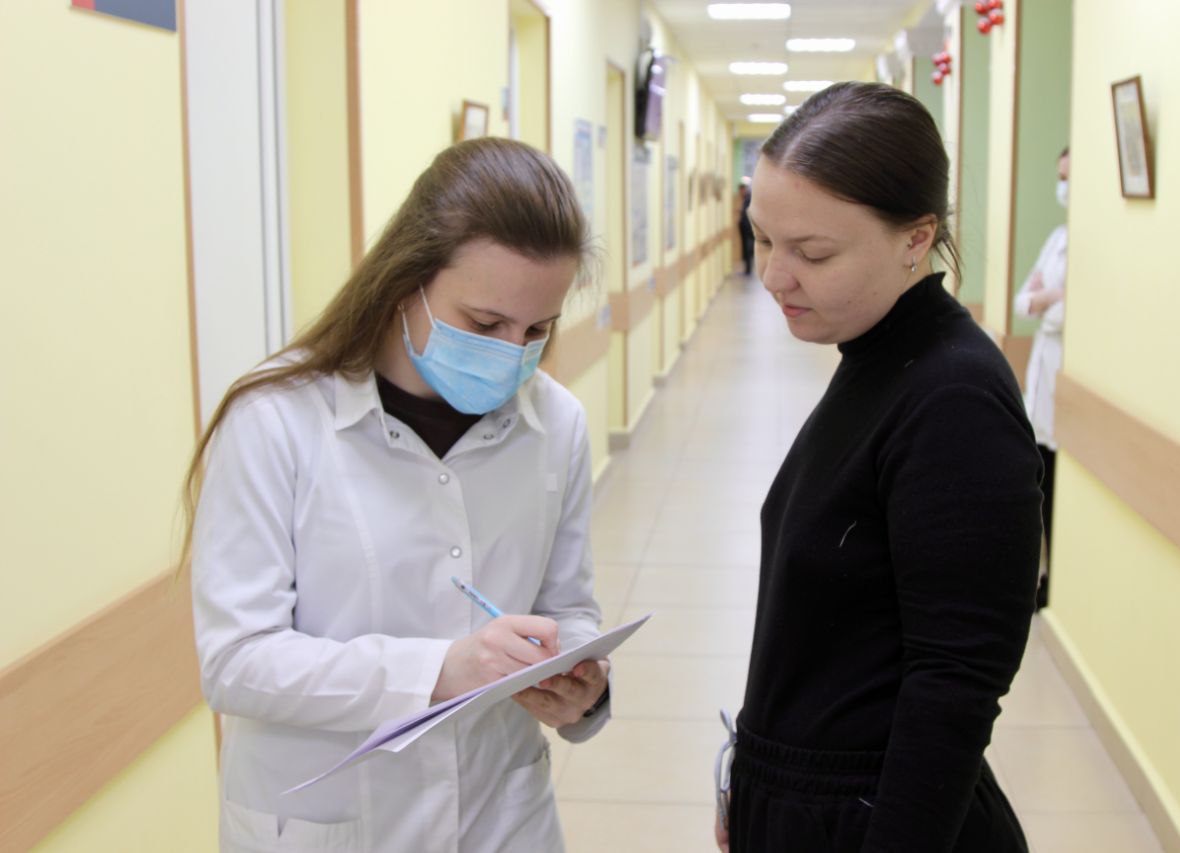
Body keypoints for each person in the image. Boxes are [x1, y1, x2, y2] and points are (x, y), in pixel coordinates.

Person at [184, 137, 611, 853]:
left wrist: (580, 682)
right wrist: (439, 671)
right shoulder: (276, 419)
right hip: (326, 820)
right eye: (485, 324)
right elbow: (237, 660)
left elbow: (567, 607)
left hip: (500, 813)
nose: (512, 352)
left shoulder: (556, 422)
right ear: (406, 282)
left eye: (538, 328)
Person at [716, 82, 1042, 852]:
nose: (775, 275)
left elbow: (953, 688)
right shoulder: (878, 359)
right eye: (763, 238)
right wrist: (754, 784)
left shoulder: (953, 398)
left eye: (812, 253)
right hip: (812, 804)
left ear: (915, 239)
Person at [1013, 146, 1069, 610]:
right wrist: (1049, 298)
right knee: (1043, 477)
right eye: (1060, 176)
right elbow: (1023, 302)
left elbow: (1065, 314)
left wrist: (1047, 300)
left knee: (1060, 490)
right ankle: (1045, 574)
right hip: (1044, 372)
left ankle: (1056, 582)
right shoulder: (1058, 237)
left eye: (1070, 177)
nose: (1063, 186)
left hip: (1066, 379)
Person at [737, 178, 755, 275]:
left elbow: (748, 214)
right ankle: (747, 268)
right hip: (745, 229)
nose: (740, 192)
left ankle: (748, 269)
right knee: (746, 249)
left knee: (748, 248)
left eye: (742, 189)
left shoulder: (749, 199)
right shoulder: (746, 199)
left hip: (748, 229)